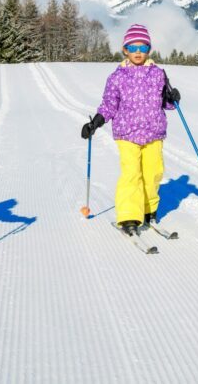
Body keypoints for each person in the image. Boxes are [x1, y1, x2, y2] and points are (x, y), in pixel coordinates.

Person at [81, 24, 180, 236]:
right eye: (133, 47)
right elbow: (109, 104)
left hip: (154, 132)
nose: (138, 52)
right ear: (125, 49)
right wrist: (96, 122)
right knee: (131, 174)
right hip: (127, 134)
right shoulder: (117, 77)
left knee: (153, 173)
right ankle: (128, 216)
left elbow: (167, 103)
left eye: (143, 48)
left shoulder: (158, 74)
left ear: (149, 50)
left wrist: (173, 98)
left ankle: (148, 210)